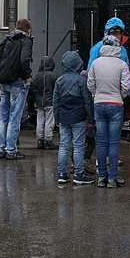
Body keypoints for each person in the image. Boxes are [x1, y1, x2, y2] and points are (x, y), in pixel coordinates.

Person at [88, 36, 130, 188]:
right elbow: (126, 86)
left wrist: (96, 95)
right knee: (114, 143)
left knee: (101, 142)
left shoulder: (95, 63)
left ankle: (101, 177)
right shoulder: (122, 64)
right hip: (115, 104)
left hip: (99, 104)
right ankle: (113, 178)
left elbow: (90, 84)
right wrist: (120, 96)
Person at [0, 19, 33, 159]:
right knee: (15, 117)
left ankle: (1, 148)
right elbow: (24, 60)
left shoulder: (7, 39)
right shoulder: (25, 41)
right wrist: (27, 75)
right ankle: (11, 150)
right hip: (16, 81)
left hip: (3, 81)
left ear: (15, 28)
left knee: (3, 117)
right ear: (29, 30)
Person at [53, 50, 94, 185]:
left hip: (64, 116)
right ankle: (78, 173)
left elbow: (55, 101)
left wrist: (56, 118)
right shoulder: (81, 81)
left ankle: (62, 174)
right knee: (78, 146)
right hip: (79, 116)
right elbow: (87, 101)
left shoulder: (59, 80)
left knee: (64, 146)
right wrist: (91, 117)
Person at [30, 57, 57, 150]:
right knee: (49, 122)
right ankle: (48, 140)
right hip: (49, 101)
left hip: (39, 101)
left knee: (40, 121)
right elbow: (56, 89)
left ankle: (40, 140)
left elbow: (33, 88)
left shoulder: (38, 75)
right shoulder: (53, 76)